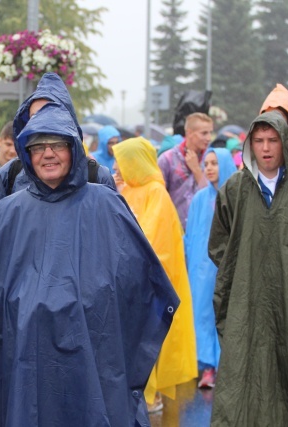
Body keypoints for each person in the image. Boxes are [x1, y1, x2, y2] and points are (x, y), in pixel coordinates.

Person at [0, 74, 179, 427]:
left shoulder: (105, 203)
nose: (48, 153)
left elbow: (142, 282)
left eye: (57, 143)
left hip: (91, 352)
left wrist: (92, 305)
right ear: (26, 150)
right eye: (38, 144)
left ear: (73, 147)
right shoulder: (4, 214)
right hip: (25, 357)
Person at [208, 110, 288, 426]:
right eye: (259, 140)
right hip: (245, 303)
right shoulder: (235, 189)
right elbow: (218, 245)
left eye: (273, 140)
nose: (266, 148)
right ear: (250, 144)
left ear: (286, 143)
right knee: (242, 381)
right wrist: (242, 270)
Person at [112, 137, 197, 411]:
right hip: (127, 280)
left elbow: (153, 239)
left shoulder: (156, 192)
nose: (116, 167)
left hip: (146, 284)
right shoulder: (128, 190)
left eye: (121, 161)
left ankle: (151, 397)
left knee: (147, 342)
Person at [0, 73, 116, 207]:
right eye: (35, 117)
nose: (43, 124)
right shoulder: (8, 176)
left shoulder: (97, 177)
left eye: (52, 115)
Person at [184, 148, 236, 390]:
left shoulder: (235, 198)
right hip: (201, 270)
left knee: (227, 315)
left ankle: (226, 365)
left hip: (228, 268)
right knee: (203, 315)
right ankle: (207, 366)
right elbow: (191, 235)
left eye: (215, 163)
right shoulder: (199, 199)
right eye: (207, 163)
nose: (210, 168)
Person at [158, 112, 213, 230]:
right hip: (174, 228)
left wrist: (197, 170)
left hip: (204, 228)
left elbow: (213, 195)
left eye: (210, 133)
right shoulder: (167, 159)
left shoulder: (211, 159)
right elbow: (159, 197)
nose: (209, 138)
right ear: (189, 133)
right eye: (204, 133)